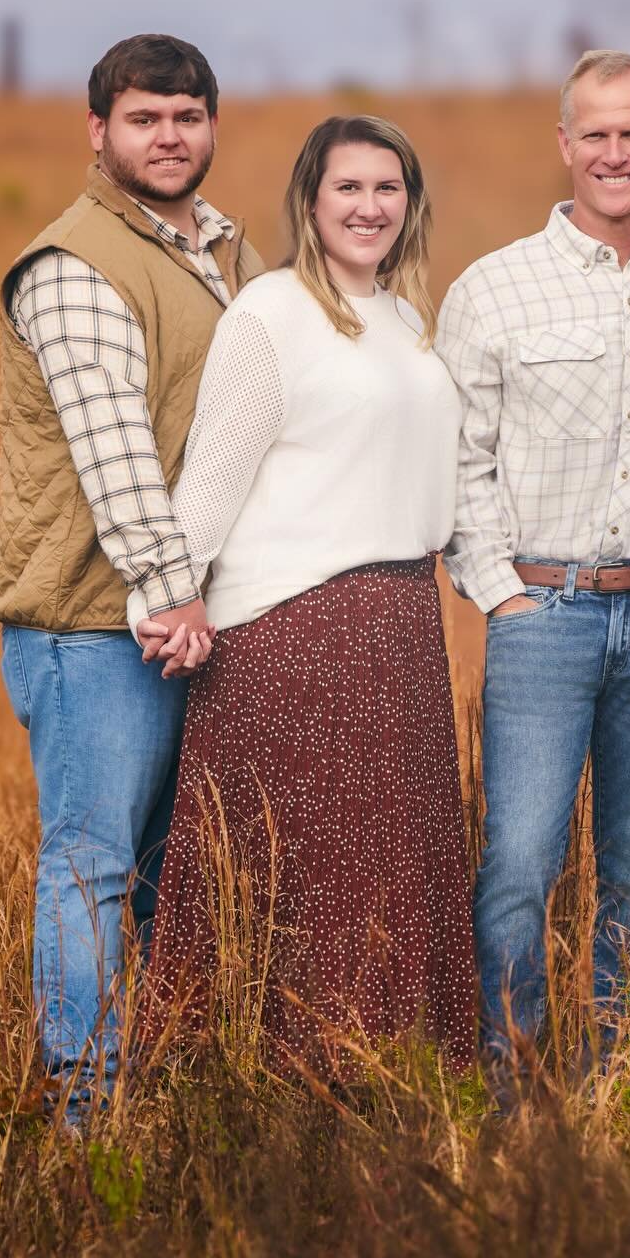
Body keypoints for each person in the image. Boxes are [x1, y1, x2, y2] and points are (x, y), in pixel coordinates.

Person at [134, 115, 475, 1073]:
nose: (369, 207)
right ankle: (273, 1090)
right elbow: (210, 479)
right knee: (311, 876)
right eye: (348, 189)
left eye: (387, 189)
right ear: (311, 202)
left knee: (390, 870)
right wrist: (169, 599)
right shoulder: (271, 312)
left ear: (410, 204)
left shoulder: (408, 318)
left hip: (402, 624)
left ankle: (391, 1081)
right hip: (295, 630)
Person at [0, 35, 263, 1121]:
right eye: (144, 118)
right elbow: (116, 453)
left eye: (187, 115)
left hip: (180, 619)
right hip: (97, 629)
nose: (169, 136)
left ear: (211, 124)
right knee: (94, 867)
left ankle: (155, 1095)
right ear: (97, 130)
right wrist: (170, 589)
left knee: (162, 878)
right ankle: (87, 1110)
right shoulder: (74, 265)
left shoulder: (220, 251)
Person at [439, 50, 630, 1067]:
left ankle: (620, 1089)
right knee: (519, 862)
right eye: (594, 133)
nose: (614, 152)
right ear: (564, 145)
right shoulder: (492, 290)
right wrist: (501, 595)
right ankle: (512, 1092)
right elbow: (459, 464)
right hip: (543, 615)